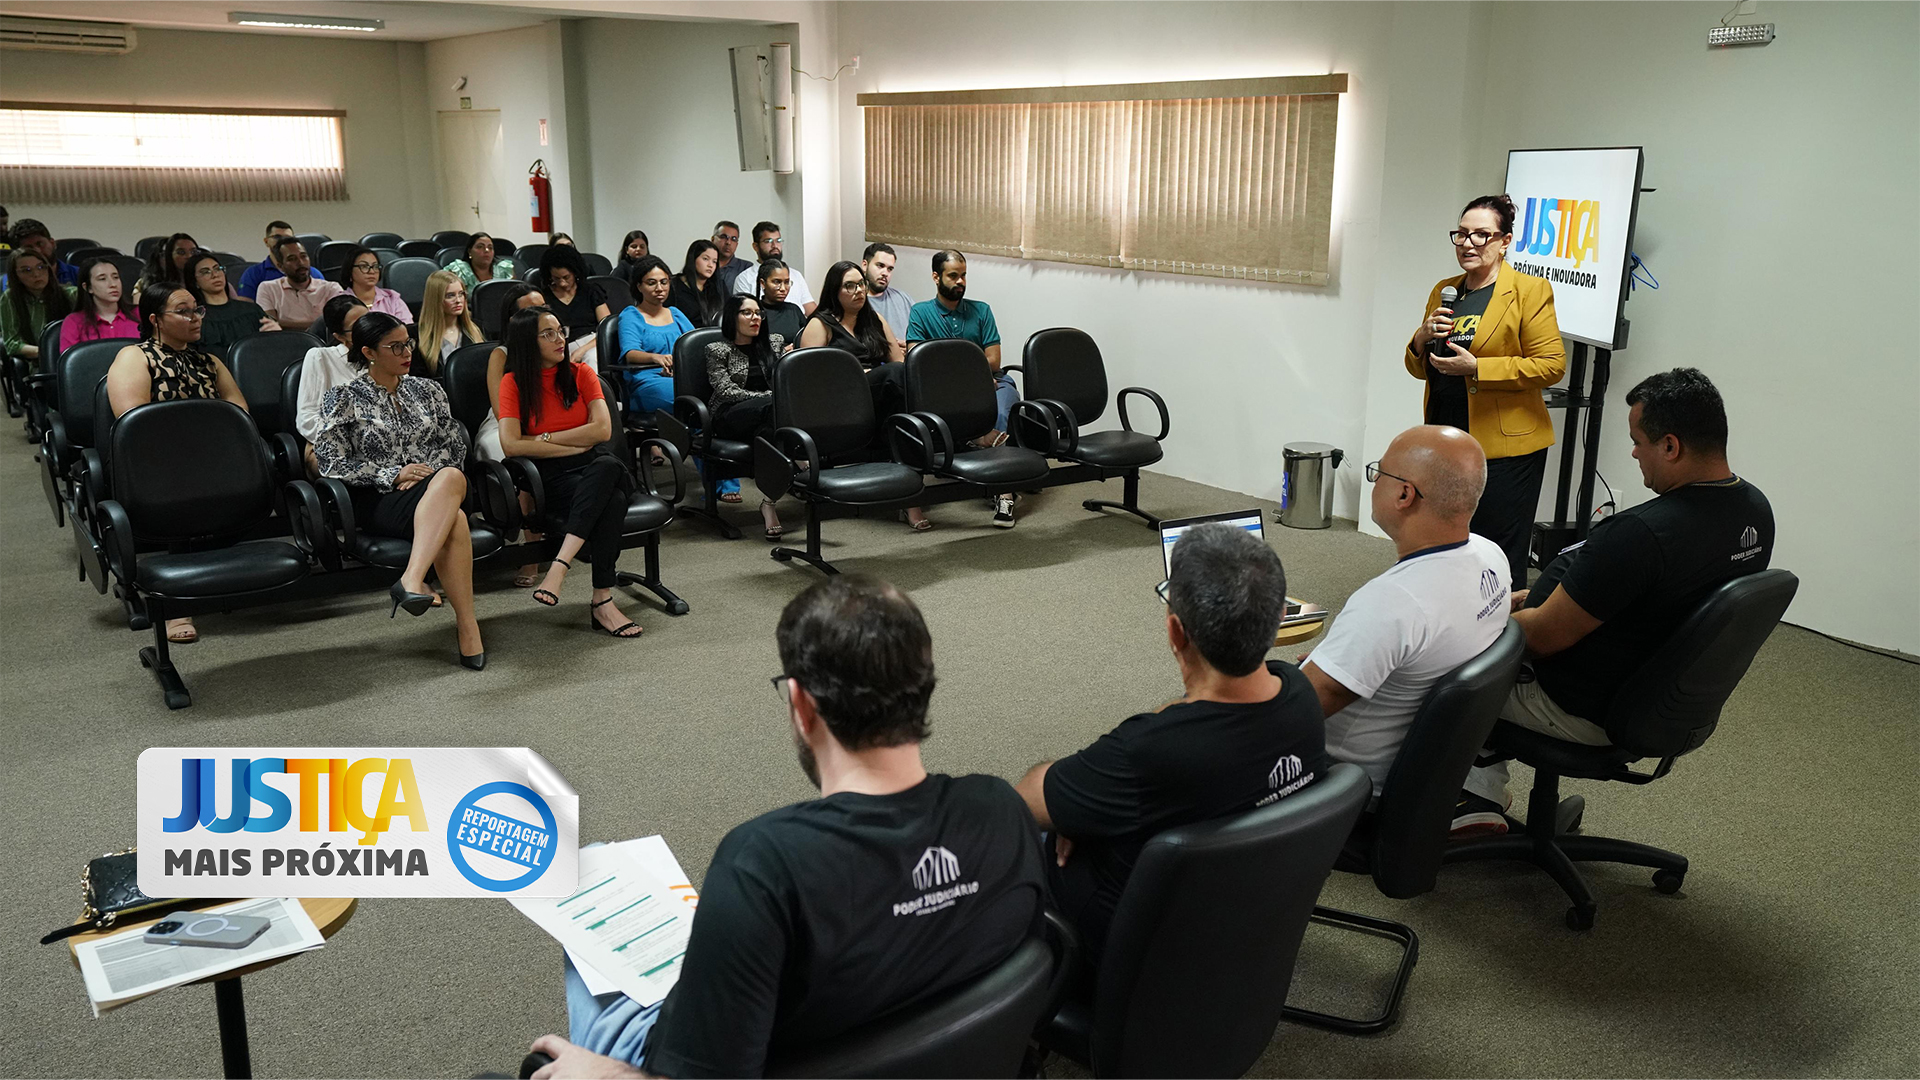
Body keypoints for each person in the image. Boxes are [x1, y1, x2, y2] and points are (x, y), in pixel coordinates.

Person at [530, 575, 1046, 1079]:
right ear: (924, 687)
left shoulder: (764, 864)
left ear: (801, 704)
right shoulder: (1001, 809)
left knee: (588, 900)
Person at [1460, 368, 1775, 830]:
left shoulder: (1643, 533)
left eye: (1637, 442)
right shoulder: (1754, 512)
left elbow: (1540, 640)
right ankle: (1480, 793)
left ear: (1671, 446)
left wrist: (1480, 616)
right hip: (1658, 702)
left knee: (1439, 663)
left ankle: (1467, 801)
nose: (1633, 453)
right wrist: (1542, 597)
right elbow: (1648, 597)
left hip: (1579, 707)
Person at [1013, 522, 1330, 963]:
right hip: (1241, 919)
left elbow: (1026, 801)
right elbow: (1192, 714)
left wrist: (1081, 807)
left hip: (1134, 943)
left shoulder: (1145, 753)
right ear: (1278, 618)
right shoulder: (1299, 694)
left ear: (1176, 632)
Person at [1300, 425, 1509, 804]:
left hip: (1348, 779)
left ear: (1403, 494)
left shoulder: (1392, 602)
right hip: (1428, 763)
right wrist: (1342, 658)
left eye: (1379, 472)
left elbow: (1291, 715)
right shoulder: (1490, 554)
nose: (1374, 481)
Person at [1407, 194, 1567, 590]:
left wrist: (1478, 368)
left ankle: (1504, 624)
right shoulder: (1445, 290)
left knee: (1497, 551)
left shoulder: (1529, 291)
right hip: (1447, 438)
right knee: (1448, 541)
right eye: (1461, 234)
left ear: (1505, 241)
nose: (1468, 243)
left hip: (1506, 448)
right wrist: (1421, 338)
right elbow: (1419, 368)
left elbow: (1551, 365)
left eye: (1481, 235)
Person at [311, 311, 485, 669]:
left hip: (434, 489)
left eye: (408, 343)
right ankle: (466, 627)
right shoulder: (342, 397)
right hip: (380, 500)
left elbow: (453, 445)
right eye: (395, 347)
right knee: (455, 516)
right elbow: (330, 463)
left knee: (450, 478)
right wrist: (391, 474)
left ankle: (412, 578)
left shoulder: (429, 390)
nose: (407, 352)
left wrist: (423, 476)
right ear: (369, 352)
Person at [106, 282, 250, 647]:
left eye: (197, 310)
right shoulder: (134, 357)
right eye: (183, 312)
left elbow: (239, 413)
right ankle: (175, 604)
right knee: (184, 483)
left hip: (213, 455)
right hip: (159, 460)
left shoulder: (209, 361)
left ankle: (221, 577)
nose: (195, 317)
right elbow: (134, 423)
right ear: (155, 319)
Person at [498, 306, 648, 639]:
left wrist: (541, 439)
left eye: (560, 331)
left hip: (598, 464)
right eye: (548, 333)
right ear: (528, 341)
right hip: (554, 478)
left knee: (608, 465)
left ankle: (559, 566)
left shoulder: (581, 373)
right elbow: (510, 444)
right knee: (612, 500)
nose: (560, 339)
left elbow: (603, 431)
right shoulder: (514, 383)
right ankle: (602, 601)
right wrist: (574, 444)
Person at [799, 260, 926, 532]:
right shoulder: (820, 324)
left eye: (861, 284)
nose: (858, 291)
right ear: (835, 290)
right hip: (840, 400)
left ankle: (910, 487)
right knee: (894, 376)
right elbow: (810, 379)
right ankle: (912, 492)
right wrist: (860, 375)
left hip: (878, 395)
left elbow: (898, 361)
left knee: (904, 381)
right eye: (850, 286)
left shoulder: (874, 320)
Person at [905, 250, 1021, 527]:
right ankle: (1000, 479)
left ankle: (1003, 492)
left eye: (964, 275)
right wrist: (970, 378)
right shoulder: (921, 312)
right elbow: (917, 360)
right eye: (953, 275)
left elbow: (994, 360)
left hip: (992, 381)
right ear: (936, 277)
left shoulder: (981, 310)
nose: (960, 281)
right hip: (945, 389)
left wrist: (978, 378)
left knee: (1004, 403)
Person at [477, 282, 556, 590]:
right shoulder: (502, 354)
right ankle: (530, 551)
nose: (540, 314)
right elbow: (502, 412)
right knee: (521, 457)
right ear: (513, 320)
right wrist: (532, 436)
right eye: (531, 310)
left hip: (548, 422)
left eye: (543, 308)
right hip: (506, 426)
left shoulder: (554, 345)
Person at [707, 295, 786, 540]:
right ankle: (801, 462)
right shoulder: (717, 350)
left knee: (768, 432)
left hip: (768, 414)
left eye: (758, 313)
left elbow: (783, 379)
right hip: (730, 414)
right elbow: (726, 391)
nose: (755, 318)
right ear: (733, 317)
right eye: (747, 313)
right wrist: (767, 396)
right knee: (775, 409)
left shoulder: (774, 343)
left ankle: (769, 504)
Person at [615, 255, 690, 417]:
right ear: (639, 286)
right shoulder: (631, 315)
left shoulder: (676, 314)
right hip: (646, 381)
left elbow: (694, 346)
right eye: (651, 283)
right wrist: (656, 358)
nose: (659, 288)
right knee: (687, 398)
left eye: (664, 282)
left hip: (680, 377)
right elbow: (630, 353)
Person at [294, 294, 371, 450]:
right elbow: (307, 418)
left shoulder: (386, 353)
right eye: (357, 327)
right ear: (340, 336)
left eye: (369, 321)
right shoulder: (321, 357)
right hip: (337, 445)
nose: (367, 329)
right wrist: (348, 440)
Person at [184, 251, 279, 359]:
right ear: (195, 282)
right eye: (206, 272)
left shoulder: (251, 310)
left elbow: (271, 346)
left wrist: (277, 333)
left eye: (217, 269)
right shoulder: (195, 318)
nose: (215, 275)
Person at [1, 248, 77, 369]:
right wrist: (47, 352)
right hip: (40, 365)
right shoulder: (10, 298)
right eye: (26, 270)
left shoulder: (71, 294)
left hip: (74, 362)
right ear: (16, 276)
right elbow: (12, 343)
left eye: (41, 267)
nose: (36, 274)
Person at [255, 238, 345, 329]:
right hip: (283, 338)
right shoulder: (268, 288)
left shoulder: (331, 288)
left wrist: (281, 324)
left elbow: (340, 323)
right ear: (280, 266)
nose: (301, 263)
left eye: (303, 256)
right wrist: (320, 324)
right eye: (292, 259)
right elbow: (269, 324)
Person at [731, 220, 815, 315]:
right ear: (756, 246)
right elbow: (744, 315)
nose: (775, 246)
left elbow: (810, 309)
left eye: (778, 241)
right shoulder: (745, 279)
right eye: (768, 241)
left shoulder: (796, 275)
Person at [58, 257, 140, 353]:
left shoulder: (139, 313)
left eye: (116, 277)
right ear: (88, 287)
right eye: (102, 279)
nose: (113, 284)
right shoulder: (74, 322)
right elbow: (70, 359)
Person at [237, 220, 327, 300]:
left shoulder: (314, 273)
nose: (282, 241)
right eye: (277, 237)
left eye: (287, 238)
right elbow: (245, 307)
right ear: (266, 241)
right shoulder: (253, 274)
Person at [539, 244, 610, 342]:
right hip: (561, 344)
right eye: (556, 278)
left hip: (593, 341)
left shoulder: (591, 291)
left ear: (575, 272)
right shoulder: (543, 297)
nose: (562, 283)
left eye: (566, 277)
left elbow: (606, 328)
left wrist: (583, 349)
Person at [417, 270, 483, 374]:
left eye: (461, 294)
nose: (458, 300)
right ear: (436, 299)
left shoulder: (478, 329)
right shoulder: (417, 336)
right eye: (450, 295)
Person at [337, 244, 412, 321]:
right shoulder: (339, 303)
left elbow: (406, 326)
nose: (372, 271)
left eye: (375, 266)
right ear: (349, 271)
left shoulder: (392, 299)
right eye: (364, 266)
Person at [4, 220, 79, 288]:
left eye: (40, 244)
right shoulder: (8, 282)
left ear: (52, 243)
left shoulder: (78, 274)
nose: (37, 251)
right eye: (29, 248)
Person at [668, 239, 724, 328]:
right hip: (684, 334)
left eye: (714, 261)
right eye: (705, 259)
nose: (710, 265)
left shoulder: (719, 285)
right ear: (693, 258)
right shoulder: (674, 285)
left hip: (714, 335)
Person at [861, 242, 913, 334]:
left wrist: (909, 342)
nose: (885, 273)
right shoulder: (854, 301)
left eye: (890, 269)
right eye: (880, 266)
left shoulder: (903, 299)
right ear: (865, 265)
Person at [752, 260, 804, 348]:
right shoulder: (754, 313)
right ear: (763, 283)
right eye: (777, 282)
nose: (783, 288)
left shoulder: (794, 310)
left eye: (786, 282)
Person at [446, 231, 517, 291]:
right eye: (480, 247)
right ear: (470, 251)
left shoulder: (504, 269)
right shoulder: (459, 271)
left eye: (490, 247)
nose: (486, 250)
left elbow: (514, 295)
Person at [134, 233, 201, 293]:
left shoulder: (201, 280)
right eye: (181, 252)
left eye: (194, 252)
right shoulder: (146, 284)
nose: (189, 256)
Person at [710, 219, 753, 293]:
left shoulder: (746, 268)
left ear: (737, 244)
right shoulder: (703, 265)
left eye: (733, 239)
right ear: (713, 239)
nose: (728, 242)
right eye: (723, 237)